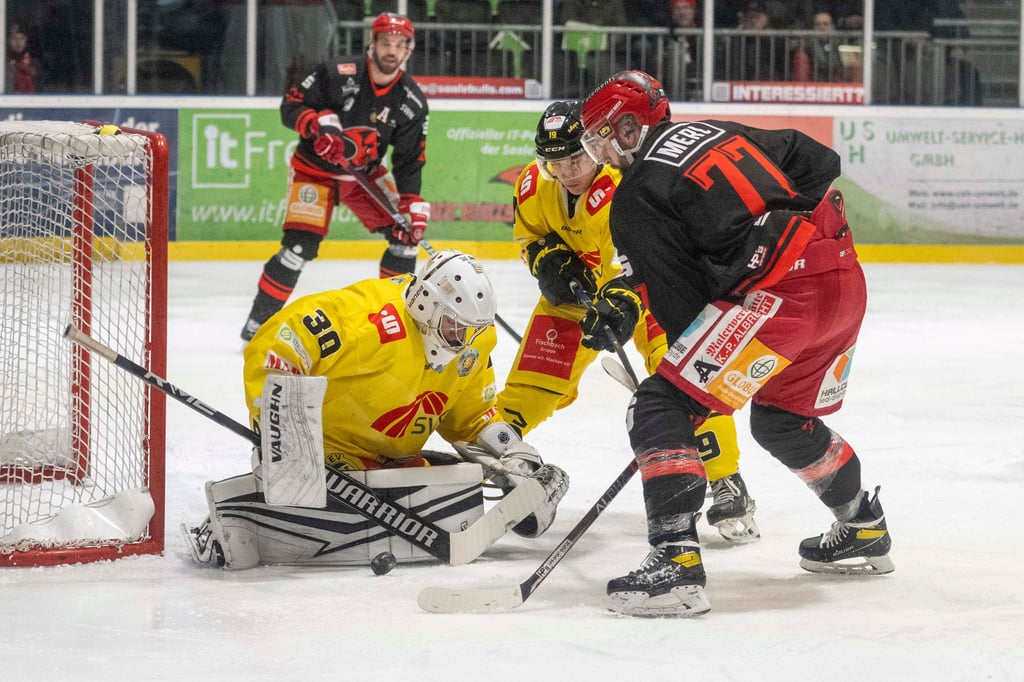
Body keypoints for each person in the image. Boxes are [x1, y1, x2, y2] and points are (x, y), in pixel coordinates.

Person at [578, 71, 893, 617]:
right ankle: (862, 525)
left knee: (659, 407)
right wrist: (769, 228)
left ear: (629, 128)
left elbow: (680, 306)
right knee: (782, 421)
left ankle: (675, 564)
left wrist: (682, 392)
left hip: (780, 301)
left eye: (602, 138)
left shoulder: (635, 195)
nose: (600, 156)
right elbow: (818, 159)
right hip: (842, 280)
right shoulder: (717, 129)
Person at [185, 250, 568, 569]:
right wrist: (282, 428)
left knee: (456, 484)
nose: (465, 341)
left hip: (393, 466)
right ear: (425, 305)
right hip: (328, 457)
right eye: (455, 327)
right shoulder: (370, 320)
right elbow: (278, 343)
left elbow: (470, 417)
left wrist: (512, 456)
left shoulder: (472, 342)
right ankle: (258, 514)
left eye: (473, 330)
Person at [497, 100, 759, 544]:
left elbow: (643, 259)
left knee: (686, 380)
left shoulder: (626, 186)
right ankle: (498, 453)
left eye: (576, 159)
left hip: (653, 291)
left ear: (592, 149)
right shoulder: (532, 186)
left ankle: (725, 478)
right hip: (580, 298)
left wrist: (620, 297)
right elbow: (529, 236)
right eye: (555, 164)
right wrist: (544, 258)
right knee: (535, 379)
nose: (567, 172)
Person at [239, 12, 431, 342]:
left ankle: (394, 323)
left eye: (400, 45)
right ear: (372, 43)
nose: (392, 50)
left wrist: (411, 204)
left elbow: (410, 159)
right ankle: (258, 326)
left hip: (364, 176)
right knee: (297, 249)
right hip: (314, 173)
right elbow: (291, 106)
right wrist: (315, 127)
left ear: (408, 51)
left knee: (405, 242)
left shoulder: (411, 101)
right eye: (386, 42)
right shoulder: (337, 73)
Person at [6, 24, 37, 93]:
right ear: (8, 40)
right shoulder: (3, 64)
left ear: (26, 40)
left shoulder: (34, 64)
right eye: (14, 38)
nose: (18, 42)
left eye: (22, 38)